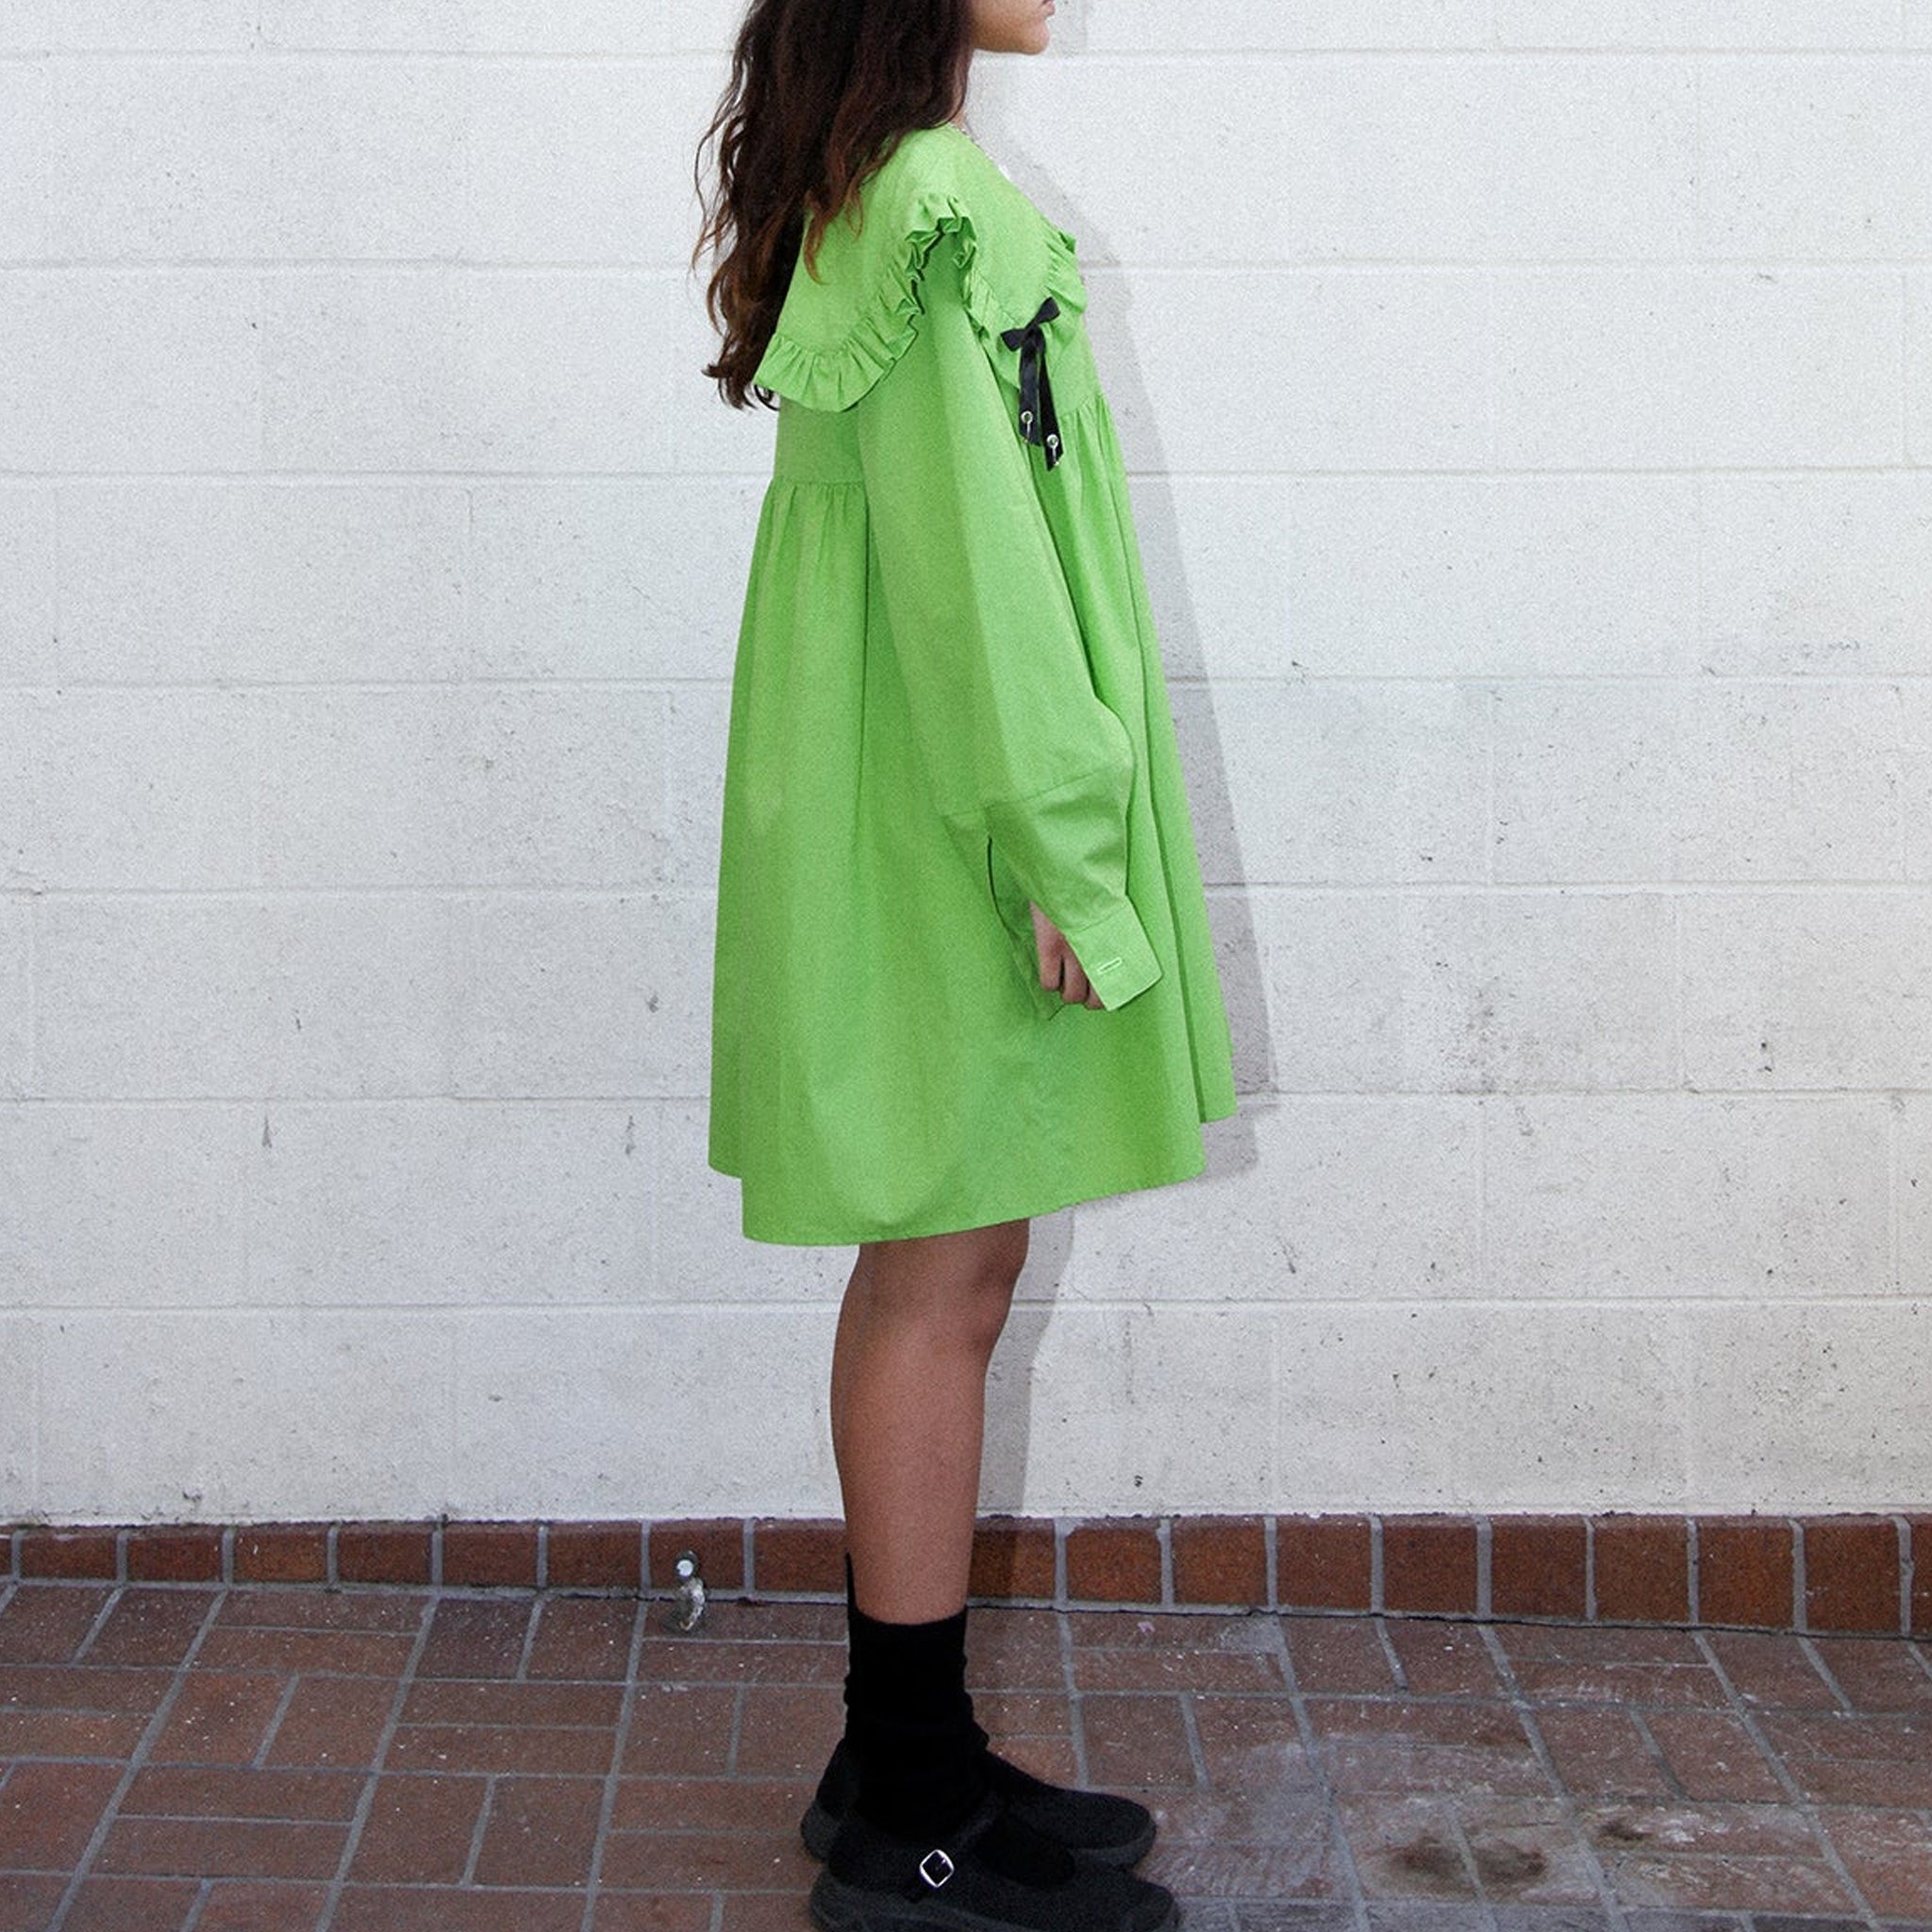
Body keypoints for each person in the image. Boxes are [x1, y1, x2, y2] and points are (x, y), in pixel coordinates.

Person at [693, 2, 1237, 1926]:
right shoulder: (929, 199)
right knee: (944, 1273)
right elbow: (974, 578)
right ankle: (912, 1810)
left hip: (913, 785)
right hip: (954, 813)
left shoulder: (893, 184)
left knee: (944, 1264)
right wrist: (1062, 855)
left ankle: (896, 1753)